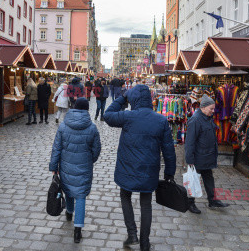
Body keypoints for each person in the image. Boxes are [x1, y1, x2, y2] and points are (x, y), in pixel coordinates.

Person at [104, 85, 176, 251]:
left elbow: (107, 115)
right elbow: (169, 151)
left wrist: (122, 98)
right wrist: (169, 173)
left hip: (127, 168)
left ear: (133, 99)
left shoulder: (128, 117)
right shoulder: (161, 120)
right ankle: (144, 243)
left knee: (125, 195)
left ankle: (132, 234)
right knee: (146, 203)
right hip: (149, 170)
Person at [49, 98, 101, 244]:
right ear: (86, 110)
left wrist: (54, 167)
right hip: (84, 167)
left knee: (68, 189)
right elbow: (96, 149)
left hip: (66, 166)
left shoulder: (64, 126)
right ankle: (77, 231)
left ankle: (69, 212)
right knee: (81, 195)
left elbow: (56, 148)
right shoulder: (91, 127)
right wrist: (91, 160)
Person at [185, 94, 229, 214]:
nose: (213, 111)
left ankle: (212, 200)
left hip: (207, 156)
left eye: (213, 109)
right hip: (198, 157)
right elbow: (189, 142)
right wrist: (189, 159)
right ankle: (190, 203)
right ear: (203, 108)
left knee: (209, 179)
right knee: (194, 180)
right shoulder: (195, 120)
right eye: (211, 109)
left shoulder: (207, 117)